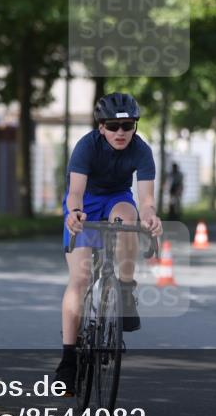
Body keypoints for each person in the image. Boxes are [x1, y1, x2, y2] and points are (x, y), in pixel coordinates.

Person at [56, 93, 163, 392]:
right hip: (86, 203)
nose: (120, 132)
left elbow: (146, 200)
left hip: (117, 199)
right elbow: (75, 192)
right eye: (113, 126)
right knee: (80, 278)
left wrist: (150, 217)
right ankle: (68, 359)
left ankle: (125, 288)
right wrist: (74, 213)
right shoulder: (86, 146)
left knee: (130, 220)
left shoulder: (141, 150)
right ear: (101, 127)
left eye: (127, 126)